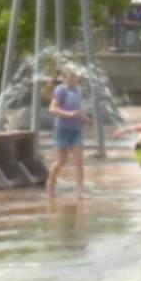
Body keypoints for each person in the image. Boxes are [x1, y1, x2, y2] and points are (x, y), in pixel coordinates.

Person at [47, 68, 93, 198]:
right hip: (62, 129)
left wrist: (86, 120)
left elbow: (77, 110)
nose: (75, 78)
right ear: (65, 77)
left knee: (79, 161)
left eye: (75, 76)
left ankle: (80, 191)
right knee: (61, 161)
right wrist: (68, 114)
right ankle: (50, 182)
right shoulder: (61, 90)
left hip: (76, 130)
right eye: (72, 76)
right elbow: (52, 109)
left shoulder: (78, 91)